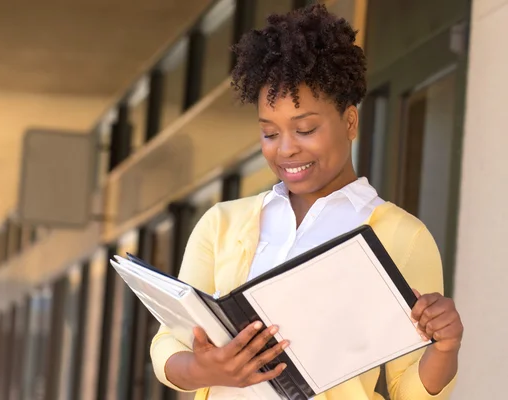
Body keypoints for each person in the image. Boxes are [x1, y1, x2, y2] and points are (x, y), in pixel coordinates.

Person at [150, 4, 463, 400]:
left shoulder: (403, 237)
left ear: (350, 122)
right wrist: (201, 368)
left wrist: (445, 347)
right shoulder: (221, 224)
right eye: (269, 133)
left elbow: (409, 390)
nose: (286, 150)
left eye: (305, 129)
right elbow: (168, 344)